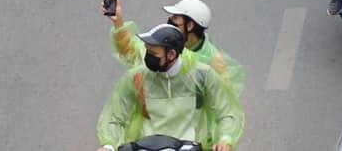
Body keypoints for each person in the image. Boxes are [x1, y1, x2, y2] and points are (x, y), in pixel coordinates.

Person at [92, 22, 243, 151]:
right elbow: (115, 116)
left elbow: (226, 112)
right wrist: (108, 145)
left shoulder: (202, 75)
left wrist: (225, 139)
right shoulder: (136, 77)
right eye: (147, 50)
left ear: (171, 54)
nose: (147, 56)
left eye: (153, 52)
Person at [108, 0, 246, 97]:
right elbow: (131, 52)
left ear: (190, 25)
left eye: (175, 19)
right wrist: (118, 23)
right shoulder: (160, 45)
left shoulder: (213, 61)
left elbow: (225, 100)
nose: (170, 21)